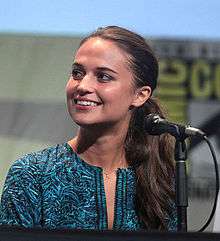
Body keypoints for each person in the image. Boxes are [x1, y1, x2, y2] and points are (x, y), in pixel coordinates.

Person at [0, 26, 177, 231]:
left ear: (140, 95)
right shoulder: (32, 174)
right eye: (77, 73)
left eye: (103, 76)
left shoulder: (160, 178)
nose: (82, 85)